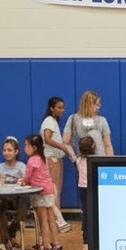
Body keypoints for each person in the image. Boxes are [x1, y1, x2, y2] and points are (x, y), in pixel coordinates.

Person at [40, 96, 75, 234]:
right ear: (51, 108)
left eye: (63, 107)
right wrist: (62, 146)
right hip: (51, 159)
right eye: (59, 107)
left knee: (56, 192)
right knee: (53, 192)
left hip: (56, 159)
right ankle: (58, 221)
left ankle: (57, 221)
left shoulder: (53, 121)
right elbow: (47, 139)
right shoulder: (48, 121)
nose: (62, 110)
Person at [22, 133, 62, 250]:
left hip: (40, 192)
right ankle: (56, 244)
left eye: (26, 145)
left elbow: (28, 177)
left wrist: (23, 181)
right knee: (51, 219)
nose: (25, 148)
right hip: (49, 191)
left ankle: (45, 245)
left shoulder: (32, 160)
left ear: (34, 147)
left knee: (42, 220)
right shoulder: (42, 158)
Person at [0, 135, 27, 250]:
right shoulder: (0, 167)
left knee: (24, 203)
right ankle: (6, 241)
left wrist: (24, 181)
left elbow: (28, 181)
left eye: (10, 150)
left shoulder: (22, 167)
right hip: (4, 198)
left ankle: (9, 234)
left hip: (17, 198)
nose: (7, 153)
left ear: (16, 152)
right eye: (4, 150)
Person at [63, 90, 113, 157]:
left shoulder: (102, 120)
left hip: (99, 160)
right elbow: (65, 142)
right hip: (82, 159)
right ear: (88, 104)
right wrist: (74, 159)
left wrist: (109, 162)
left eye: (99, 104)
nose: (99, 107)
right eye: (96, 104)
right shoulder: (73, 119)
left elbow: (108, 145)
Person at [76, 134, 96, 250]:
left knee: (86, 214)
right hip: (91, 188)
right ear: (93, 146)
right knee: (93, 214)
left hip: (82, 189)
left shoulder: (78, 160)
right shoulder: (95, 161)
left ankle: (86, 242)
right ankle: (91, 241)